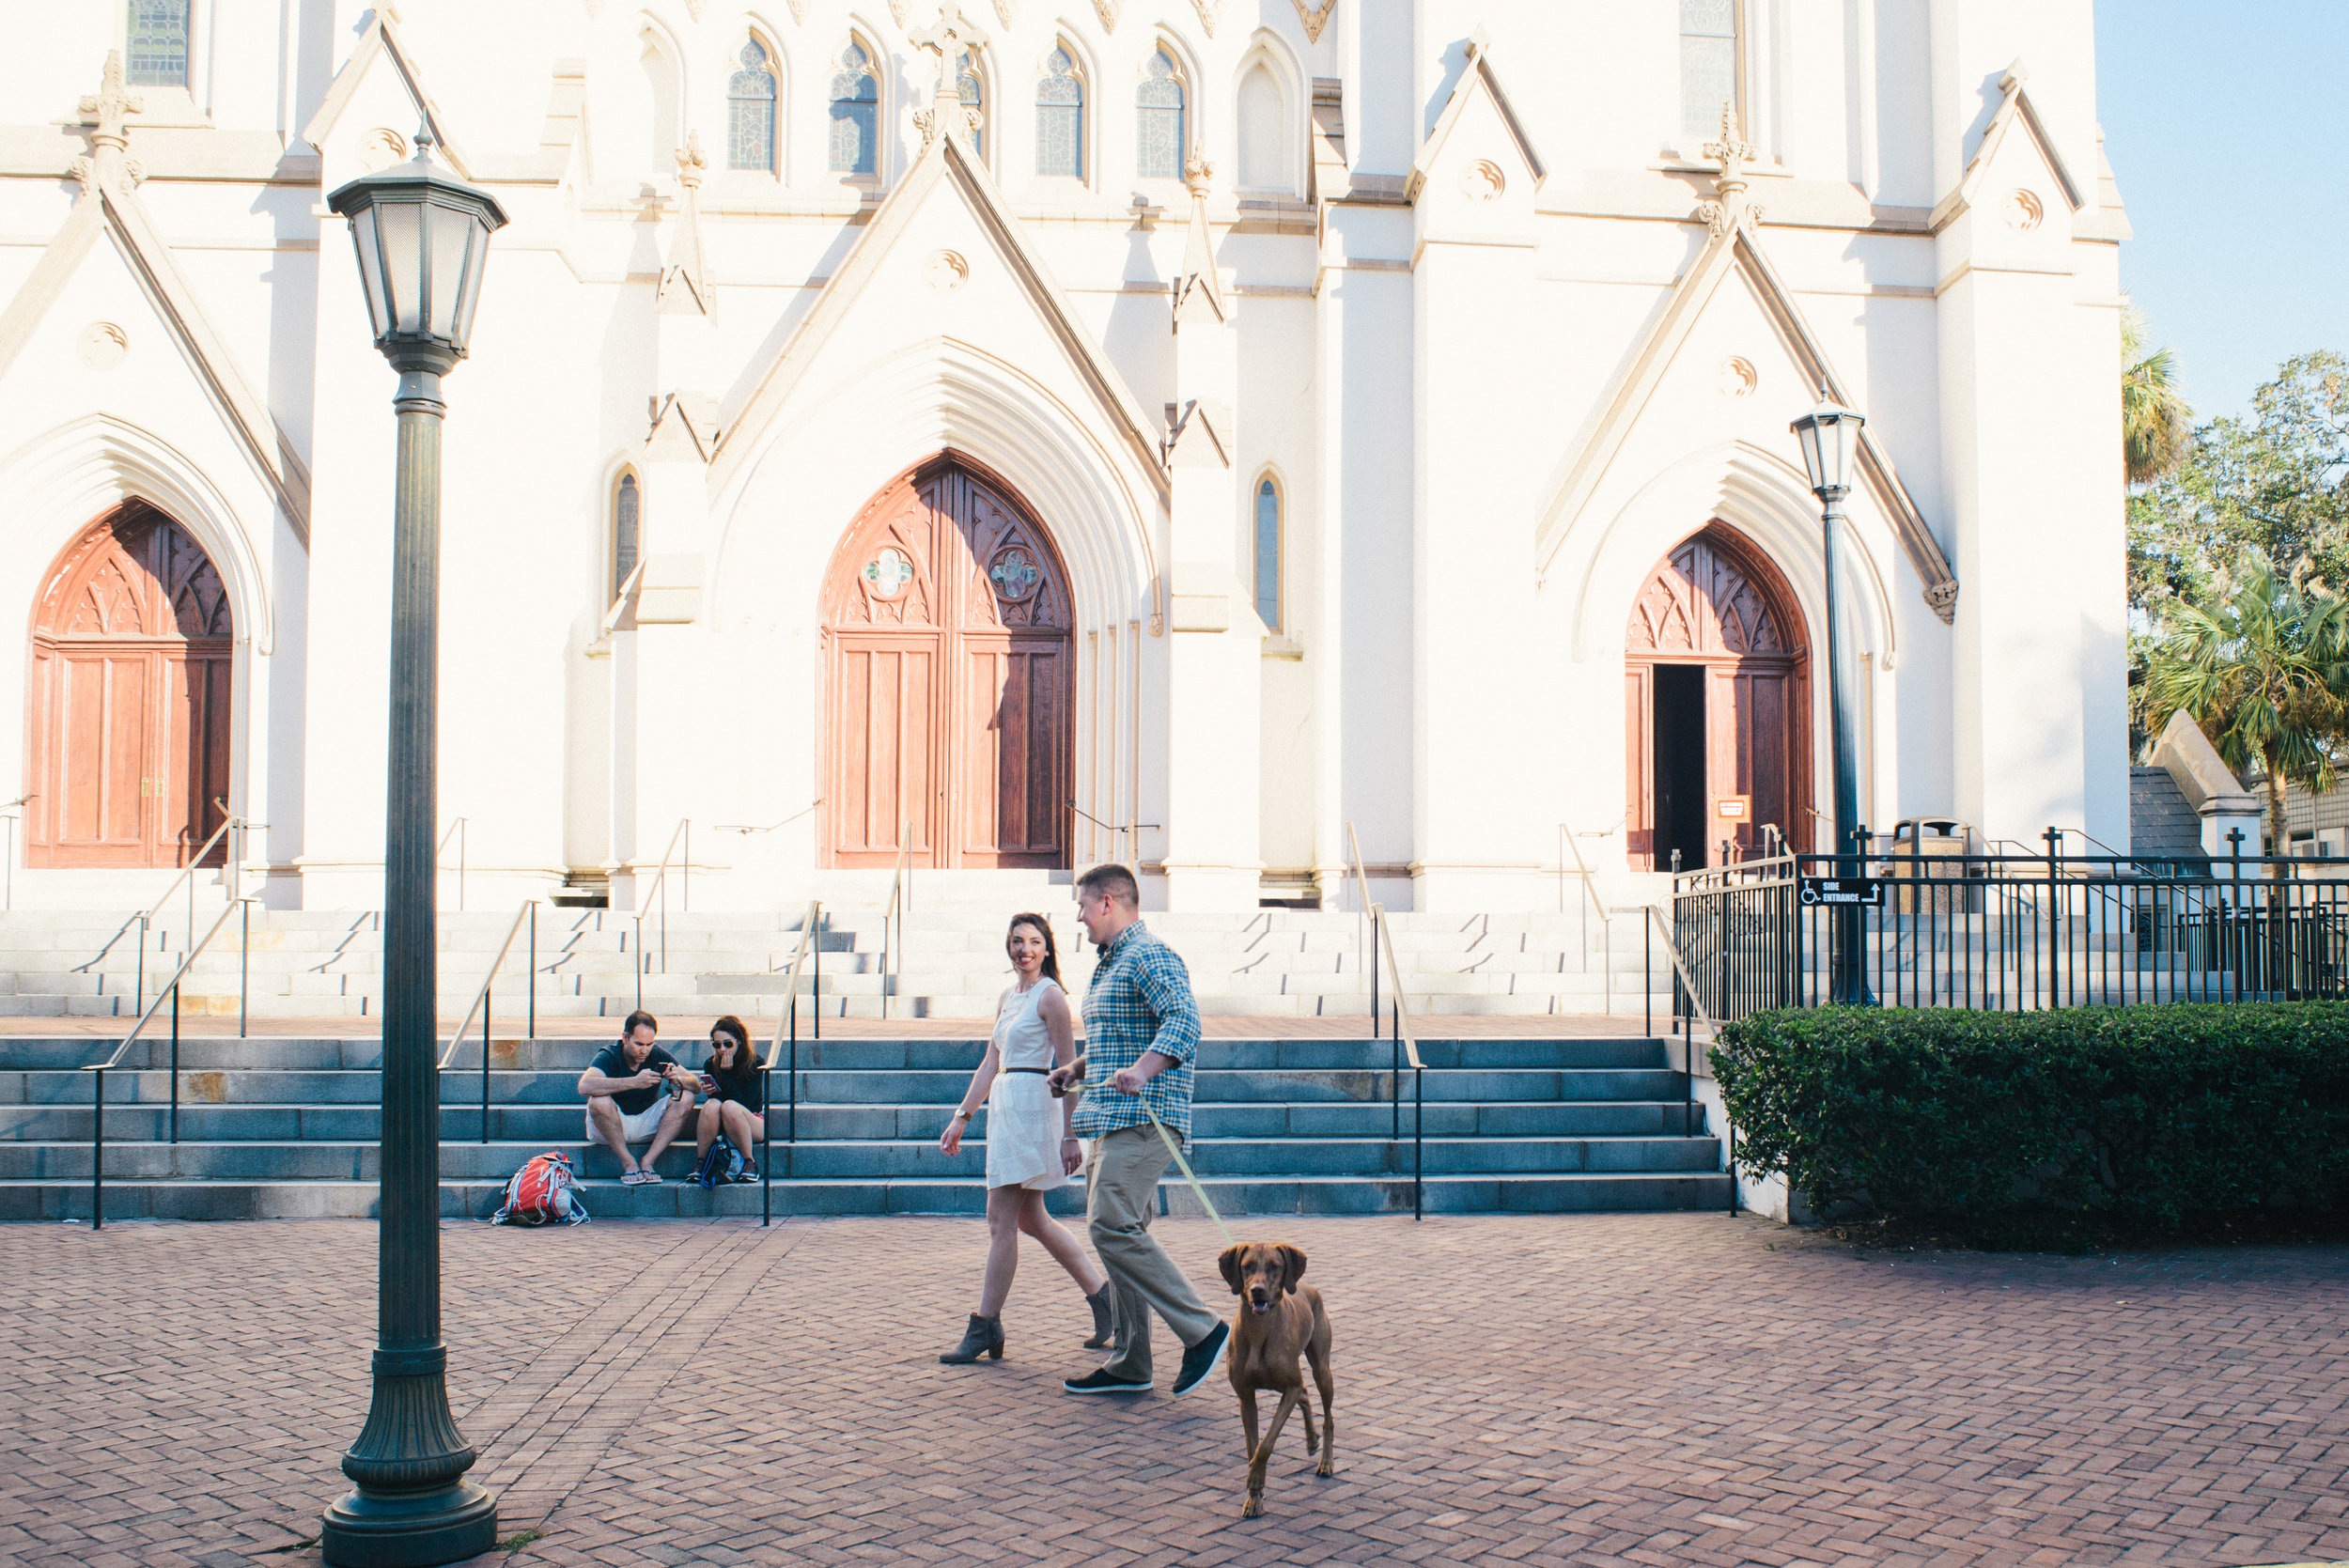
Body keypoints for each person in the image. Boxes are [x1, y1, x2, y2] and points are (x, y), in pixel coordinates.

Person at [1047, 863, 1230, 1397]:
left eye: (1083, 906)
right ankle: (1131, 1363)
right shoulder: (1112, 963)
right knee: (1121, 1234)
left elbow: (1184, 1020)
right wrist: (1076, 1070)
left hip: (1145, 1119)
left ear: (1107, 902)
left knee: (1110, 1225)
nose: (1078, 918)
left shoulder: (1148, 954)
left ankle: (1203, 1330)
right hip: (1110, 1118)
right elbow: (1117, 1040)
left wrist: (1146, 1070)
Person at [937, 914, 1115, 1364]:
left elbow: (1072, 1067)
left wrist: (1072, 1134)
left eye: (1034, 942)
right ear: (1008, 947)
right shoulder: (1007, 997)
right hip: (1006, 1106)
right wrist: (962, 1116)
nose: (1025, 950)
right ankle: (1103, 1298)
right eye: (1017, 941)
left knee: (1000, 1219)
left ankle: (985, 1325)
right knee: (1031, 1218)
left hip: (1037, 1107)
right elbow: (989, 1062)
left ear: (1047, 949)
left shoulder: (1050, 997)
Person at [578, 1009, 698, 1185]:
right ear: (625, 1038)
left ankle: (648, 1161)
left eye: (649, 1044)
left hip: (645, 1122)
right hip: (611, 1125)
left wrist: (678, 1079)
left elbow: (695, 1085)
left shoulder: (657, 1054)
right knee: (598, 1100)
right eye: (639, 1044)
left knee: (686, 1097)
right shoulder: (610, 1054)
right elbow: (584, 1086)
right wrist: (634, 1082)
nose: (644, 1050)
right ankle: (628, 1163)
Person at [692, 1014, 765, 1181]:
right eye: (717, 1044)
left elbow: (745, 1104)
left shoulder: (755, 1063)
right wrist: (713, 1092)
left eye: (728, 1043)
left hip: (752, 1120)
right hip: (724, 1121)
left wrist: (727, 1074)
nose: (722, 1049)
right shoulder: (710, 1064)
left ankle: (750, 1162)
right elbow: (719, 1102)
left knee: (730, 1106)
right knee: (711, 1104)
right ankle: (701, 1162)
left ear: (739, 1040)